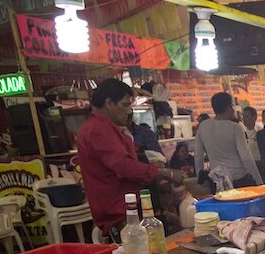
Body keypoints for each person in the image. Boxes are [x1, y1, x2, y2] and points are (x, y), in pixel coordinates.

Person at [76, 78, 184, 236]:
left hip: (130, 210)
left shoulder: (109, 128)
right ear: (109, 103)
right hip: (119, 215)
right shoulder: (97, 129)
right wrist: (164, 173)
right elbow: (124, 166)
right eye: (125, 105)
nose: (128, 111)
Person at [195, 92, 263, 192]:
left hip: (217, 180)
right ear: (228, 108)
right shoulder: (235, 127)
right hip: (239, 179)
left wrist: (200, 176)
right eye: (232, 106)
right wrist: (258, 181)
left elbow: (198, 155)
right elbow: (245, 156)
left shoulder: (203, 126)